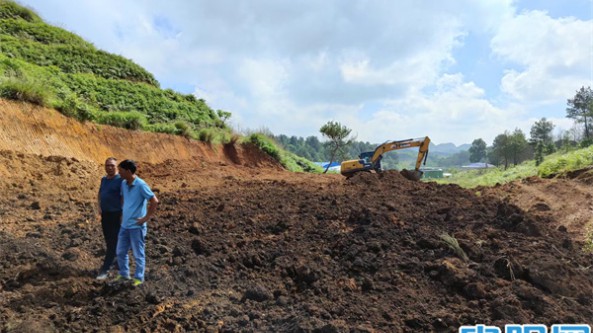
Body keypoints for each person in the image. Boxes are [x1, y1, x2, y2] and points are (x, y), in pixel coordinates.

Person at [115, 160, 159, 286]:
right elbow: (123, 197)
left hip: (136, 227)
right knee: (120, 252)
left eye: (121, 171)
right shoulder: (123, 183)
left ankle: (139, 278)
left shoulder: (141, 185)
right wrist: (123, 213)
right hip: (125, 225)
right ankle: (124, 275)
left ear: (128, 171)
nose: (119, 173)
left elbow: (154, 201)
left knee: (138, 254)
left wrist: (145, 218)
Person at [96, 157, 123, 280]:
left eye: (112, 165)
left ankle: (105, 270)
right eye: (107, 165)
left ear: (116, 167)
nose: (110, 167)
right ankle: (118, 263)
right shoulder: (104, 180)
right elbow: (100, 194)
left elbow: (125, 198)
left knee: (112, 244)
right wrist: (99, 207)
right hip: (105, 215)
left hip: (117, 215)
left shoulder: (121, 180)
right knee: (109, 242)